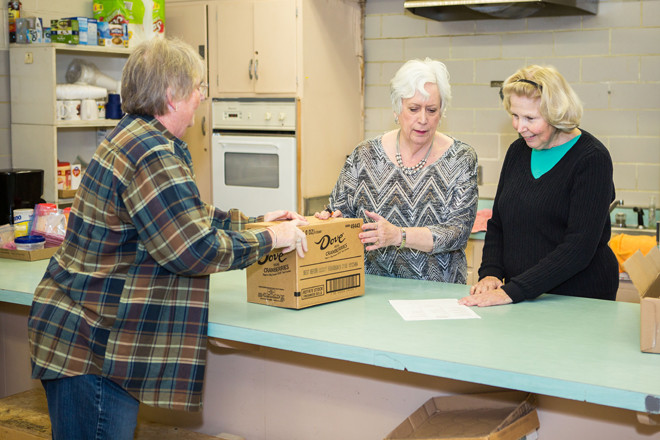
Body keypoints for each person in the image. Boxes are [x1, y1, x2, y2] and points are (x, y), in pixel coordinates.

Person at [27, 38, 308, 440]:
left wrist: (258, 223)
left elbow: (183, 217)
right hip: (93, 349)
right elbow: (195, 249)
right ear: (173, 95)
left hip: (84, 339)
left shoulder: (136, 137)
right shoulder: (152, 154)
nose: (201, 99)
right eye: (198, 88)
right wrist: (271, 239)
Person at [459, 65, 619, 307]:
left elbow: (579, 247)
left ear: (558, 113)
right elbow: (499, 223)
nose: (519, 126)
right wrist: (491, 273)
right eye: (514, 115)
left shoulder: (591, 158)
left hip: (578, 298)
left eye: (530, 118)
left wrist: (511, 291)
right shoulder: (518, 151)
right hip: (523, 295)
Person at [316, 58, 478, 283]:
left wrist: (399, 236)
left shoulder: (460, 158)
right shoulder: (365, 155)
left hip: (439, 293)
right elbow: (340, 213)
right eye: (413, 109)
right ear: (396, 108)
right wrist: (330, 219)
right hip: (373, 288)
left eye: (431, 110)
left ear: (441, 112)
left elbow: (457, 232)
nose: (423, 119)